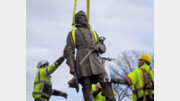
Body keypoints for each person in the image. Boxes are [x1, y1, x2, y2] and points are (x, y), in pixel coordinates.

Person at [65, 11, 115, 101]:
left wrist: (99, 47)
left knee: (105, 80)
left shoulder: (93, 32)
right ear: (77, 19)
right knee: (86, 84)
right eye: (82, 16)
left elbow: (103, 49)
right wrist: (72, 67)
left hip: (95, 59)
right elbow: (69, 52)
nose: (85, 18)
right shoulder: (72, 33)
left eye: (85, 16)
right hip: (82, 62)